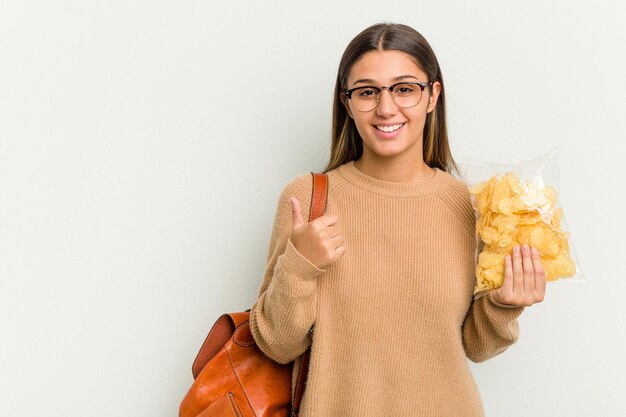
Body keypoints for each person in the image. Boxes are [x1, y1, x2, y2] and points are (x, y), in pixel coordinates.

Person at [249, 22, 546, 417]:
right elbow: (277, 345)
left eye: (404, 88)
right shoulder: (307, 198)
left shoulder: (471, 205)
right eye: (367, 92)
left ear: (432, 95)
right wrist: (299, 267)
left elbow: (478, 347)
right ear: (347, 102)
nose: (386, 108)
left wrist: (504, 304)